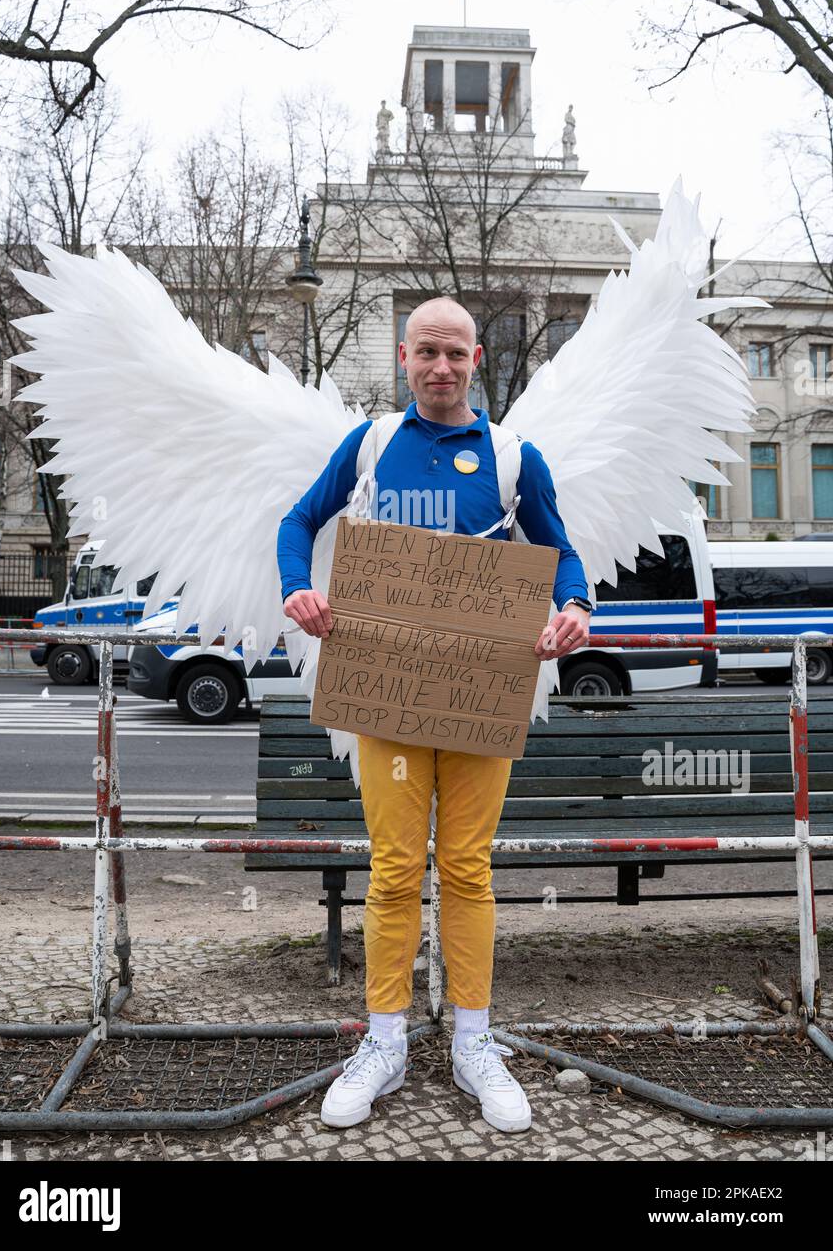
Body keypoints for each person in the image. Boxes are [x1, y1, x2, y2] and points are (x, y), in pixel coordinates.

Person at [276, 297, 592, 1133]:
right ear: (405, 356)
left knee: (467, 869)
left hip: (483, 691)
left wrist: (577, 607)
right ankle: (384, 1041)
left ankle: (473, 1042)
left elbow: (561, 552)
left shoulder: (514, 456)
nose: (441, 368)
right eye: (427, 353)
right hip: (387, 693)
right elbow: (298, 521)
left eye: (455, 353)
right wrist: (297, 587)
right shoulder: (372, 445)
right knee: (391, 869)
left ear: (477, 357)